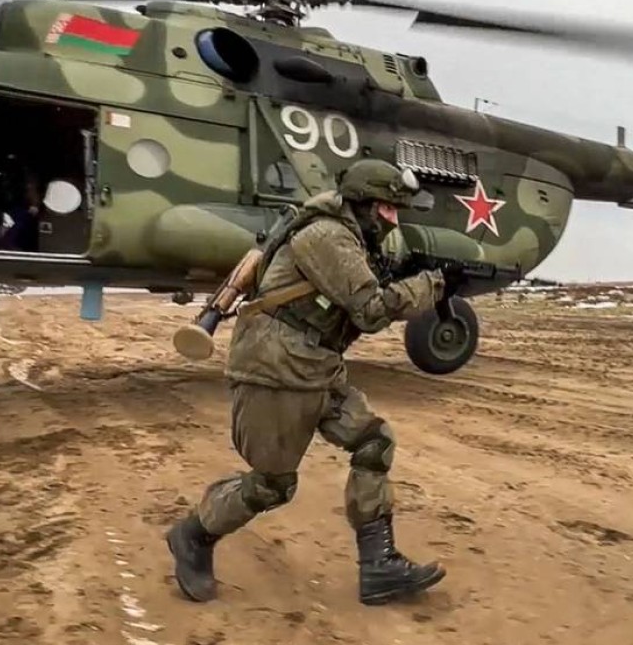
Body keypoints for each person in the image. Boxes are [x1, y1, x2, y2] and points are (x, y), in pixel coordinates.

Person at [166, 159, 464, 606]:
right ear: (363, 204)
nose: (393, 219)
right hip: (276, 369)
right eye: (387, 209)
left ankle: (379, 566)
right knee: (272, 484)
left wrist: (412, 273)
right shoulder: (326, 235)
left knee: (373, 442)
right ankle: (193, 536)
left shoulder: (348, 235)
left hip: (315, 364)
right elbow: (371, 309)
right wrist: (432, 285)